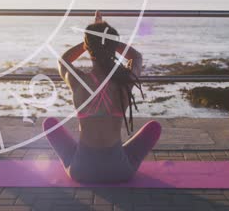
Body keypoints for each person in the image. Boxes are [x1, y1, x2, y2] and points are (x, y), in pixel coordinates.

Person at [43, 11, 161, 183]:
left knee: (49, 125)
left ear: (88, 49)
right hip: (119, 171)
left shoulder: (78, 81)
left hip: (82, 171)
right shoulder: (124, 82)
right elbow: (136, 57)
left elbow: (63, 61)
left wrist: (90, 40)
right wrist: (107, 42)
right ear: (113, 48)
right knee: (154, 128)